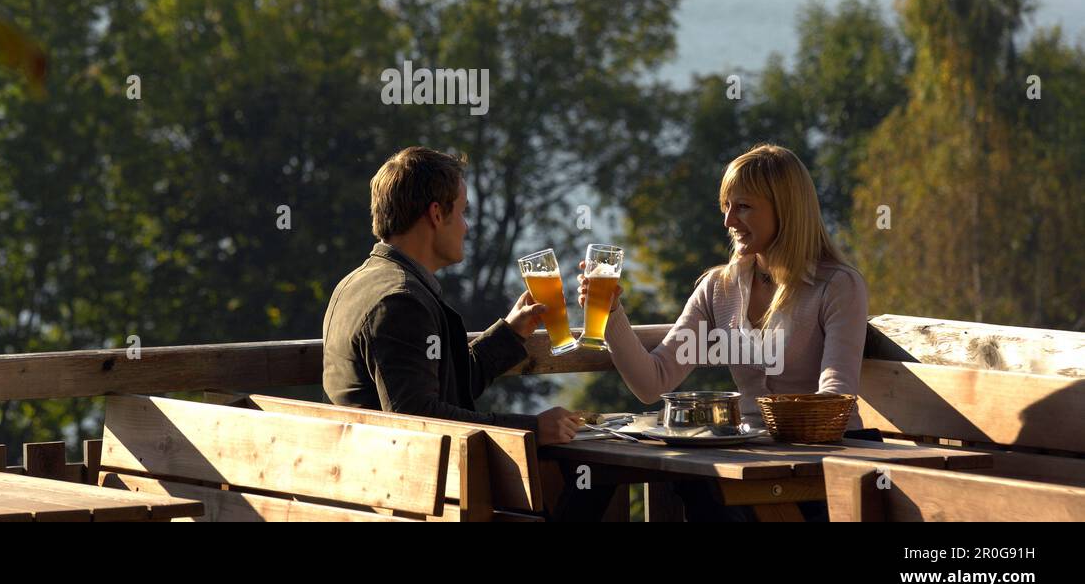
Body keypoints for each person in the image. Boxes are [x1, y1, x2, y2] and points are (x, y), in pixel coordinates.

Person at [578, 143, 875, 521]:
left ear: (786, 209)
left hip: (827, 471)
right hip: (747, 466)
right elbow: (652, 382)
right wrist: (610, 312)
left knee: (705, 486)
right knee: (691, 481)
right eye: (726, 206)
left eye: (744, 206)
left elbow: (835, 397)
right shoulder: (719, 288)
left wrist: (744, 431)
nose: (729, 221)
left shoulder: (837, 285)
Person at [323, 145, 585, 446]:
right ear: (436, 214)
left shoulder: (355, 284)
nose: (466, 227)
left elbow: (443, 386)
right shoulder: (400, 303)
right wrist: (532, 430)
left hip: (371, 477)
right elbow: (420, 418)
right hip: (406, 487)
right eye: (462, 212)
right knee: (591, 482)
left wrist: (512, 333)